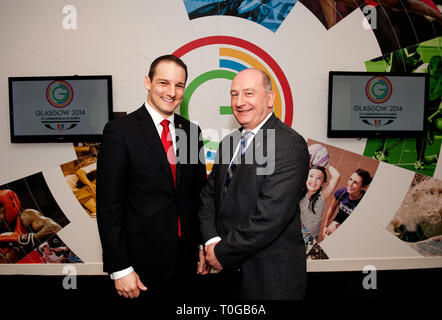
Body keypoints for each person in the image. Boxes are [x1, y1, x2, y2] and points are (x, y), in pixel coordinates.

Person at [96, 55, 207, 301]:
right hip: (139, 268)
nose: (171, 92)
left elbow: (197, 194)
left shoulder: (190, 131)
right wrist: (120, 268)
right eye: (163, 83)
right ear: (148, 82)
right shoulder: (120, 132)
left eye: (179, 85)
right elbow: (108, 207)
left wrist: (201, 244)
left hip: (186, 263)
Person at [199, 68, 309, 300]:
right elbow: (209, 196)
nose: (239, 102)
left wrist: (221, 252)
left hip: (268, 279)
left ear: (269, 99)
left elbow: (268, 216)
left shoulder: (289, 144)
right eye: (234, 94)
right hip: (227, 273)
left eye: (249, 93)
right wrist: (211, 241)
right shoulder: (228, 143)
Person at [0, 189, 62, 263]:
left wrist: (26, 239)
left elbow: (55, 228)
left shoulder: (26, 216)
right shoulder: (5, 231)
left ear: (7, 205)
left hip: (58, 257)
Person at [322, 169, 372, 237]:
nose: (350, 184)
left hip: (355, 226)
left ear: (363, 187)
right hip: (340, 220)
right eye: (350, 179)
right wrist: (325, 226)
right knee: (326, 236)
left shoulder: (366, 202)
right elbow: (332, 208)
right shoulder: (341, 193)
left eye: (355, 183)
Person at [300, 164, 340, 245]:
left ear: (323, 183)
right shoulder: (297, 192)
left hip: (309, 239)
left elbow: (337, 176)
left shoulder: (322, 197)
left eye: (319, 178)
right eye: (311, 176)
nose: (314, 180)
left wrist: (326, 164)